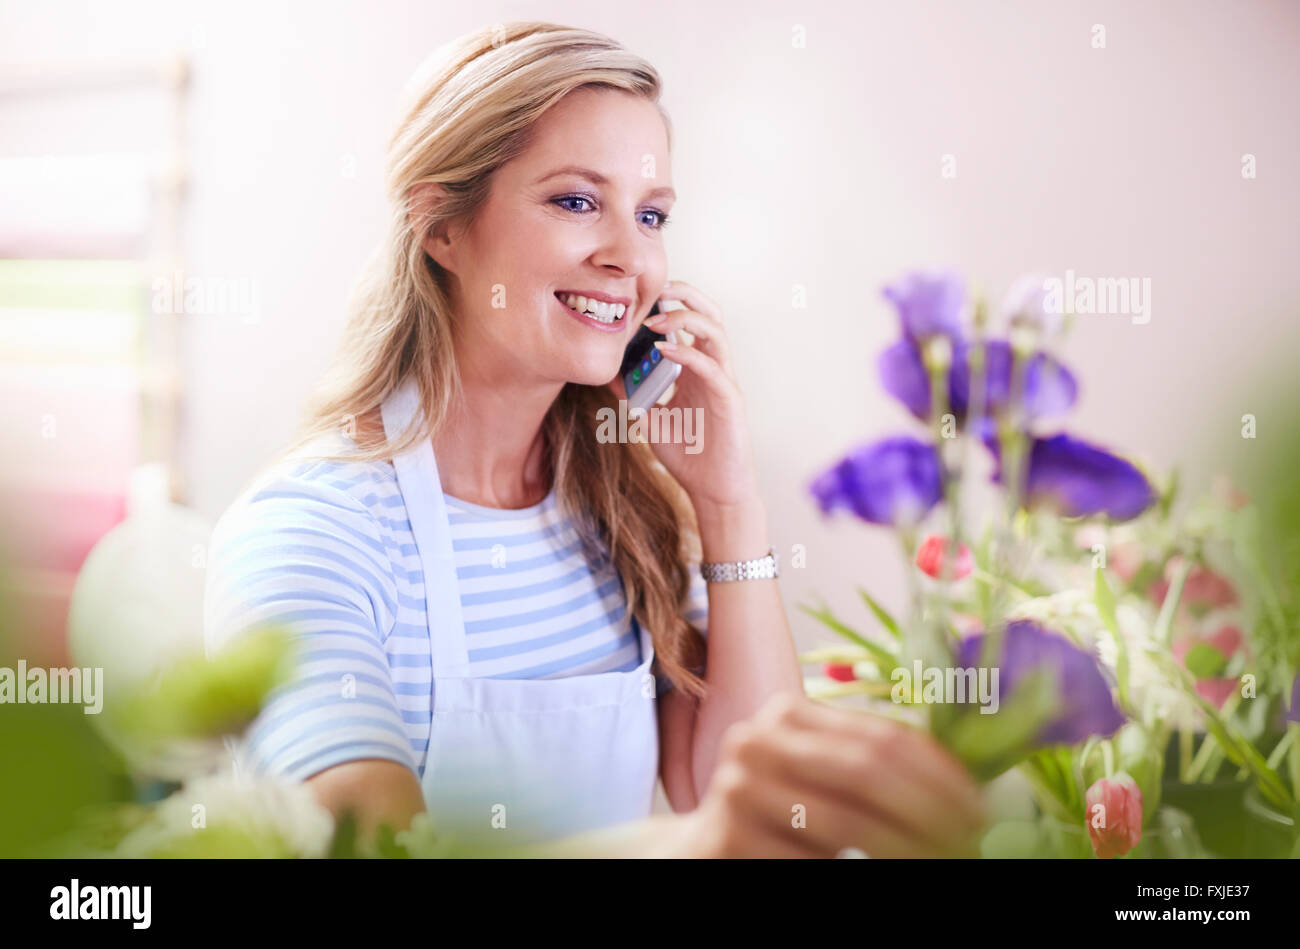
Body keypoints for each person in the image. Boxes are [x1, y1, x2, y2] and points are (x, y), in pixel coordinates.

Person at [203, 20, 985, 858]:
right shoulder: (310, 533)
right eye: (576, 201)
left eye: (651, 215)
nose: (628, 257)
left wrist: (727, 503)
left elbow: (752, 802)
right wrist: (694, 844)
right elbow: (372, 849)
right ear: (441, 226)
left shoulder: (623, 512)